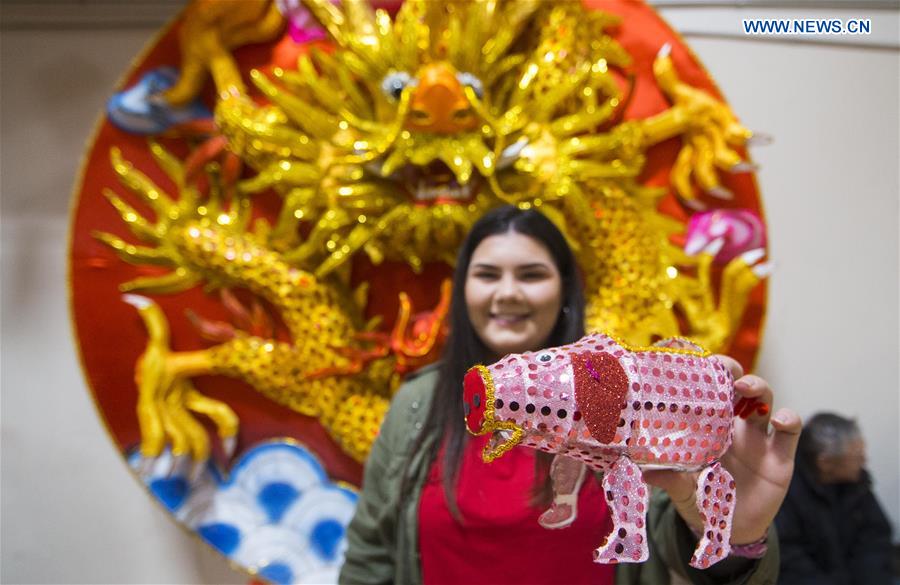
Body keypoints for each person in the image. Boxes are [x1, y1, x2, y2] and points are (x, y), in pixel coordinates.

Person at [339, 205, 801, 585]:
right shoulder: (416, 404)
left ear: (564, 290)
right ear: (463, 291)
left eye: (531, 274)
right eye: (486, 274)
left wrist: (732, 536)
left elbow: (677, 552)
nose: (507, 293)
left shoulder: (628, 396)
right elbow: (370, 561)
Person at [775, 413, 894, 584]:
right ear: (825, 463)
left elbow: (875, 538)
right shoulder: (785, 489)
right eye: (857, 456)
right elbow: (789, 559)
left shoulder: (857, 483)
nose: (864, 460)